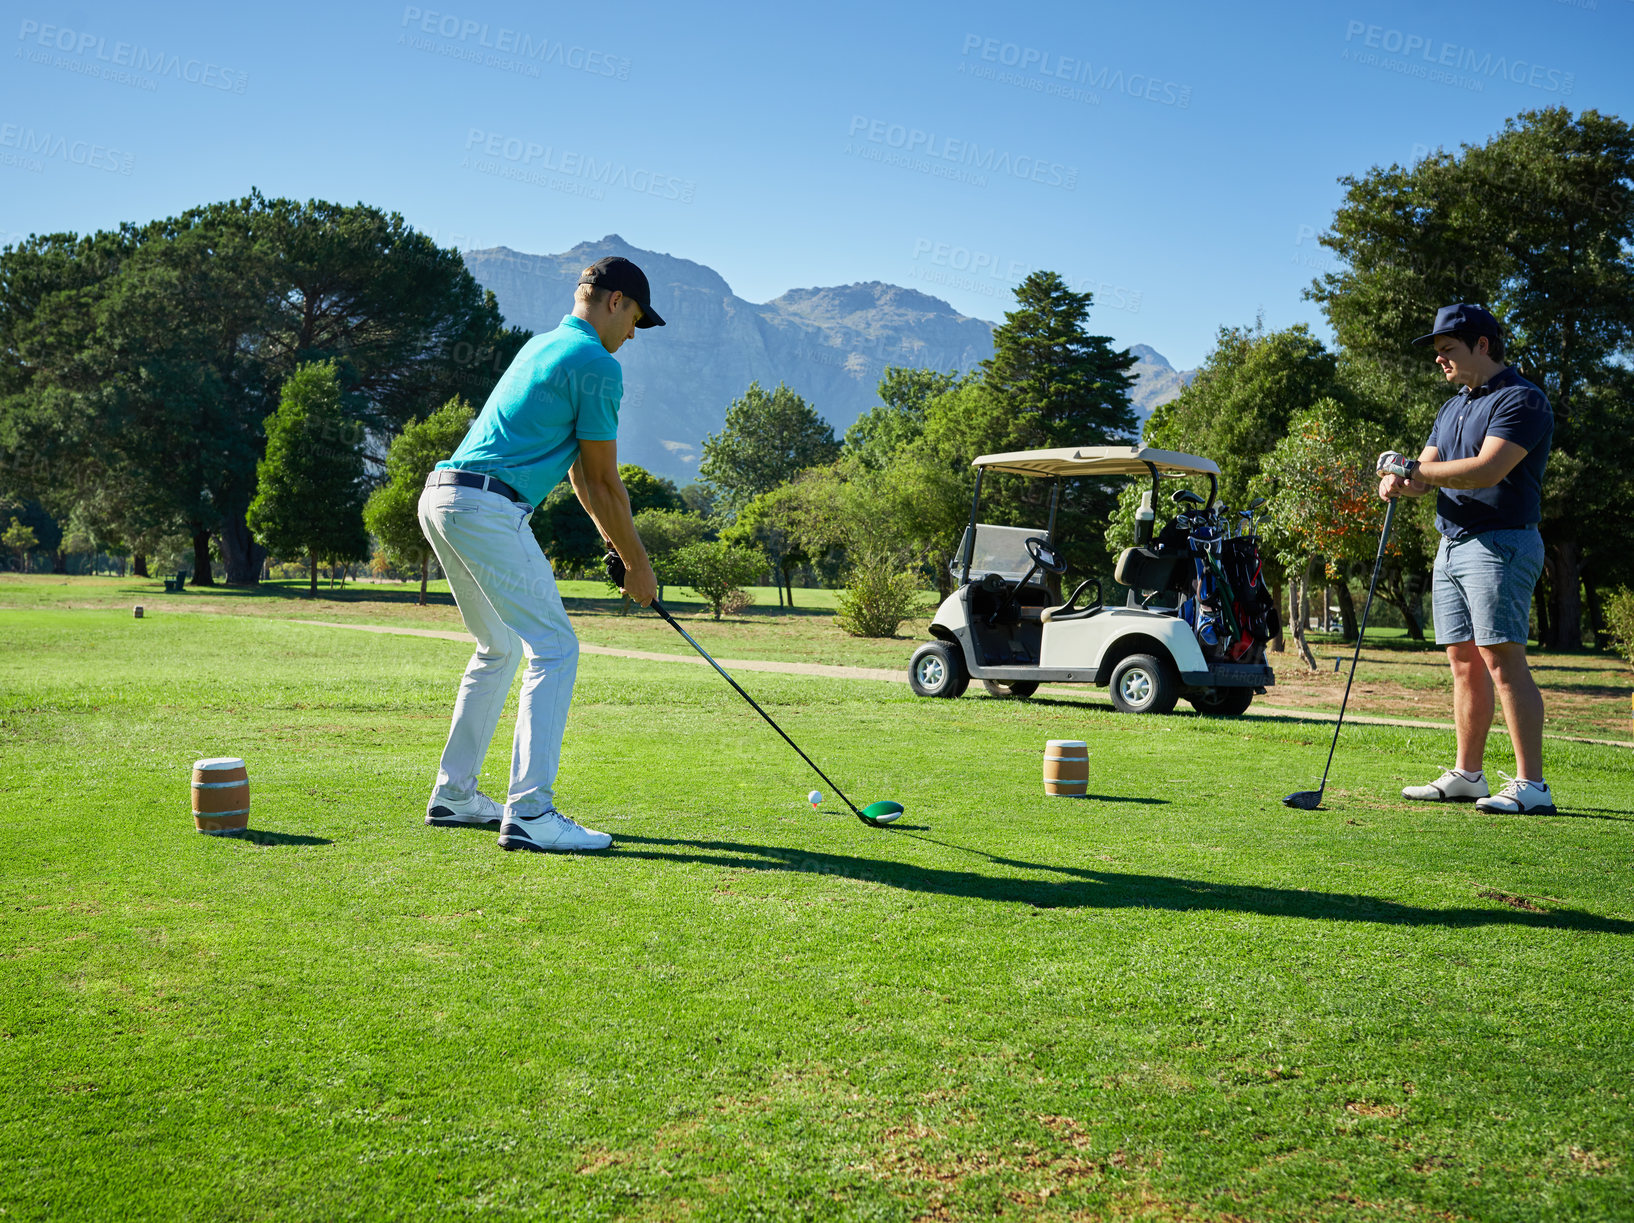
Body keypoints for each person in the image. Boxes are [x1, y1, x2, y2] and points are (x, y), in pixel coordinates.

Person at [416, 256, 662, 851]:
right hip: (486, 509)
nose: (633, 334)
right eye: (635, 319)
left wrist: (615, 544)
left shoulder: (543, 346)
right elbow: (604, 480)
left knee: (497, 647)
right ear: (614, 302)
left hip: (442, 497)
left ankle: (454, 796)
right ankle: (530, 813)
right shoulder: (596, 364)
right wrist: (640, 565)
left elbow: (581, 475)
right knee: (554, 647)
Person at [1376, 303, 1556, 815]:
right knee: (1463, 663)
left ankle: (1532, 785)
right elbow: (1426, 472)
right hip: (1452, 543)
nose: (1439, 359)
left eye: (1447, 349)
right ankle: (1468, 775)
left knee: (1501, 657)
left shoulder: (1522, 399)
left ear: (1482, 344)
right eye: (1436, 352)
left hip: (1501, 541)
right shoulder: (1452, 407)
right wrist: (1398, 479)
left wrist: (1414, 470)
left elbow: (1486, 470)